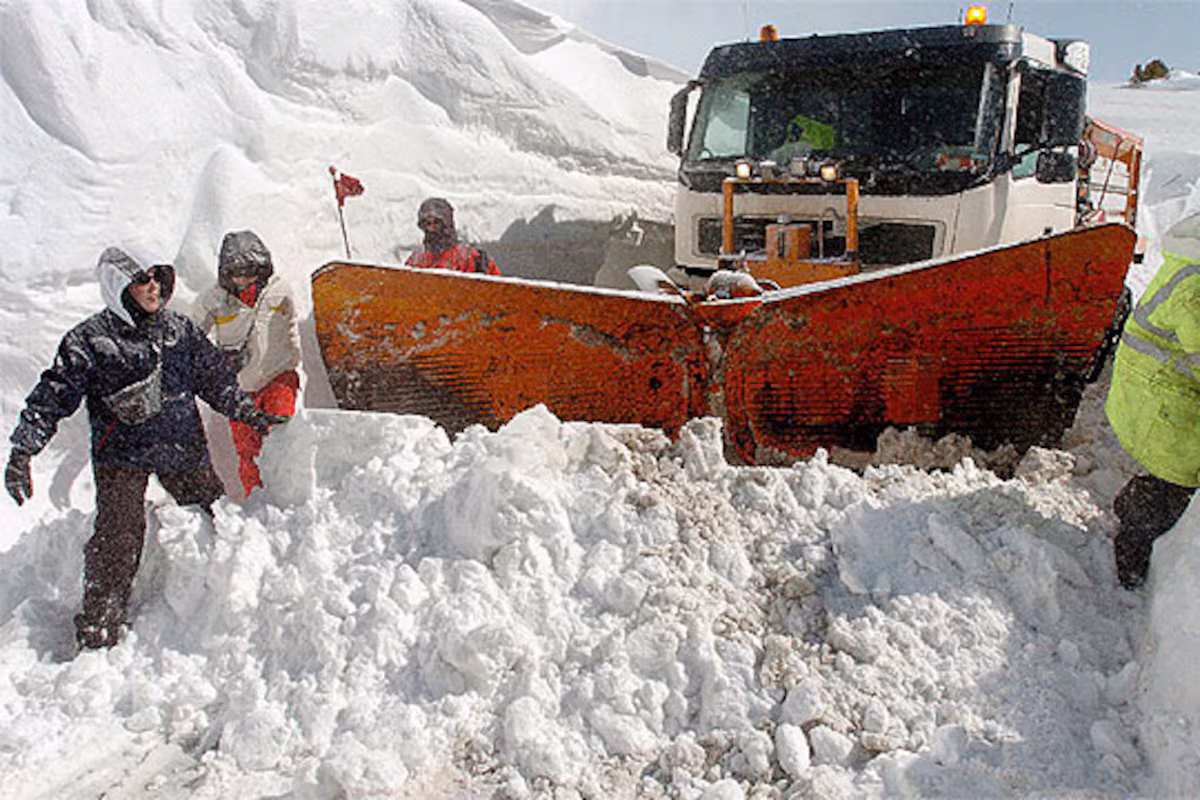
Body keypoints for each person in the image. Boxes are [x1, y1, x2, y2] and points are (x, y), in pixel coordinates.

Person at [4, 247, 286, 650]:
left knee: (215, 519)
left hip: (181, 448)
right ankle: (100, 624)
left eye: (158, 277)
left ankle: (228, 608)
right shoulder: (89, 341)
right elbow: (52, 396)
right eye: (142, 280)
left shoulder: (180, 331)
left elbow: (215, 380)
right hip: (120, 457)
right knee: (117, 538)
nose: (153, 287)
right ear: (117, 287)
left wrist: (248, 413)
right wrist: (23, 451)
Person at [1105, 211, 1200, 589]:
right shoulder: (1195, 290)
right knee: (1180, 482)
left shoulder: (1190, 267)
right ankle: (1132, 546)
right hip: (1160, 406)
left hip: (1156, 396)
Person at [194, 230, 302, 497]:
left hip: (279, 376)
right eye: (236, 273)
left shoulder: (280, 291)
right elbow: (192, 338)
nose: (243, 279)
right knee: (248, 450)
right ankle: (256, 500)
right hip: (239, 387)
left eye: (249, 271)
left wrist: (293, 364)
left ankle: (285, 498)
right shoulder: (213, 300)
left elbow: (291, 329)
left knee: (280, 435)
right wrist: (215, 364)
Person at [405, 197, 500, 274]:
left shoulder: (473, 258)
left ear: (447, 224)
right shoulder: (416, 261)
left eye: (436, 223)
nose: (432, 228)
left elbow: (496, 290)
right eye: (428, 224)